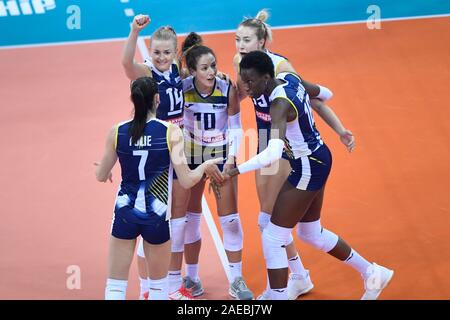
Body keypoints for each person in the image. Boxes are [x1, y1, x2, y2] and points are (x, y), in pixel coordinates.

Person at [225, 51, 394, 300]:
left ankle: (279, 296)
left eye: (251, 81)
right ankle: (372, 272)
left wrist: (235, 170)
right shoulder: (290, 79)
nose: (246, 87)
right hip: (319, 156)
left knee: (273, 237)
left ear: (266, 77)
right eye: (243, 81)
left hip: (308, 165)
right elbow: (324, 93)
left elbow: (272, 152)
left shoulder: (278, 104)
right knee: (309, 233)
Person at [233, 9, 356, 300]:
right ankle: (299, 277)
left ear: (262, 41)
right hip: (265, 138)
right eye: (237, 39)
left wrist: (340, 129)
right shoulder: (242, 63)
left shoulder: (282, 67)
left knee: (271, 224)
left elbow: (312, 98)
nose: (239, 45)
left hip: (286, 144)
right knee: (267, 221)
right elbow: (239, 96)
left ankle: (287, 284)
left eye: (246, 40)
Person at [96, 76, 223, 300]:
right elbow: (186, 180)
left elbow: (100, 175)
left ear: (133, 100)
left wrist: (104, 171)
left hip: (125, 213)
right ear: (157, 99)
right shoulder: (170, 132)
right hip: (157, 217)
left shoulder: (117, 131)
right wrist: (204, 166)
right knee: (158, 289)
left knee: (115, 287)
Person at [170, 32, 253, 300]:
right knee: (190, 221)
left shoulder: (226, 88)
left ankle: (236, 279)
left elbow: (236, 128)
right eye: (204, 68)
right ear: (192, 70)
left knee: (229, 219)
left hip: (220, 158)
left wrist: (230, 161)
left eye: (214, 66)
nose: (211, 71)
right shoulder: (183, 89)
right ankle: (192, 278)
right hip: (193, 160)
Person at [121, 14, 191, 298]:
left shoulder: (177, 70)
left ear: (175, 53)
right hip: (156, 153)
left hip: (178, 149)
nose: (161, 57)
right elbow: (127, 65)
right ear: (150, 53)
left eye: (166, 52)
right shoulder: (148, 73)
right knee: (152, 220)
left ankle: (172, 285)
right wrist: (134, 32)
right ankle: (146, 289)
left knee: (176, 221)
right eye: (156, 52)